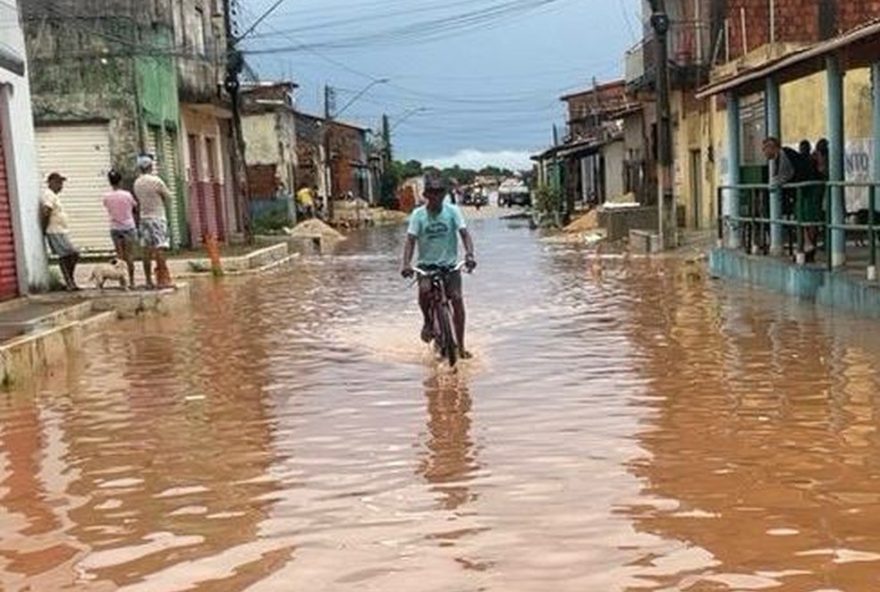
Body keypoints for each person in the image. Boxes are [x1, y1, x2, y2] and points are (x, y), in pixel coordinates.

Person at [401, 175, 477, 359]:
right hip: (426, 266)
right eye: (432, 193)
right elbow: (410, 241)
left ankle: (461, 346)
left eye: (440, 193)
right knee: (424, 292)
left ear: (444, 194)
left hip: (449, 266)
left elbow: (465, 234)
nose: (436, 197)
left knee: (457, 299)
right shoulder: (418, 215)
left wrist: (469, 255)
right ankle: (428, 321)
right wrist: (406, 264)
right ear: (426, 194)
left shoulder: (452, 211)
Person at [763, 137, 821, 261]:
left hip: (809, 188)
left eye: (765, 149)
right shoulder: (778, 158)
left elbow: (786, 174)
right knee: (800, 218)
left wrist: (772, 184)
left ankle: (809, 247)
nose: (764, 152)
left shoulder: (783, 154)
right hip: (801, 190)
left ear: (772, 147)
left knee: (808, 218)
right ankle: (806, 246)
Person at [133, 155, 173, 289]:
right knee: (159, 248)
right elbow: (168, 197)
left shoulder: (137, 183)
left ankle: (148, 280)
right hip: (158, 218)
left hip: (144, 219)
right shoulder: (156, 181)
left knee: (146, 251)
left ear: (140, 168)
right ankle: (163, 279)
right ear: (150, 167)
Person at [40, 172, 80, 291]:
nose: (61, 186)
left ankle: (70, 281)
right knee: (69, 254)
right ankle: (69, 281)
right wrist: (44, 228)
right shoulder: (49, 195)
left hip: (61, 230)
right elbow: (46, 211)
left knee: (70, 255)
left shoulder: (54, 195)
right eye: (59, 183)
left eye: (61, 183)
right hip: (55, 231)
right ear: (51, 182)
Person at [103, 169, 138, 287]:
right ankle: (132, 281)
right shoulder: (127, 195)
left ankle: (122, 282)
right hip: (128, 226)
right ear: (121, 181)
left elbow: (108, 208)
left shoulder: (106, 197)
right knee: (129, 256)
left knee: (120, 256)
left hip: (115, 227)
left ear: (110, 182)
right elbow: (135, 208)